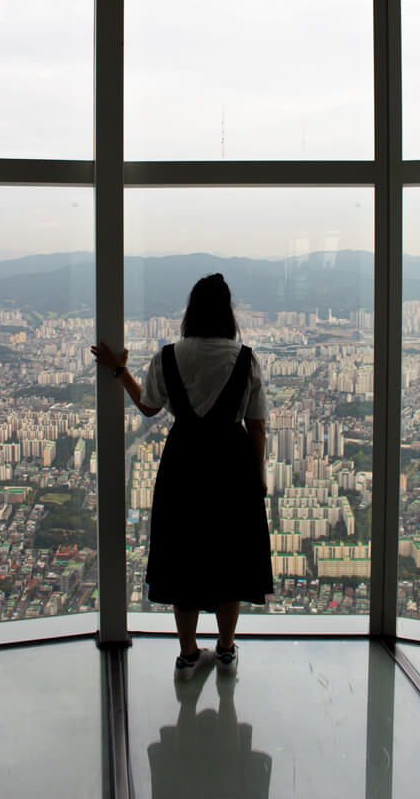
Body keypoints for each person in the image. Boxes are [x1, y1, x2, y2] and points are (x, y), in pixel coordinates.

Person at [91, 273, 273, 680]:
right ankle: (225, 652)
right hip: (231, 466)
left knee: (185, 557)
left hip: (184, 465)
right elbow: (257, 425)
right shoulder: (246, 359)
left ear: (191, 312)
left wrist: (120, 371)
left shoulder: (168, 356)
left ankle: (188, 654)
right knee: (229, 562)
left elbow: (149, 407)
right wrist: (257, 477)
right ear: (229, 313)